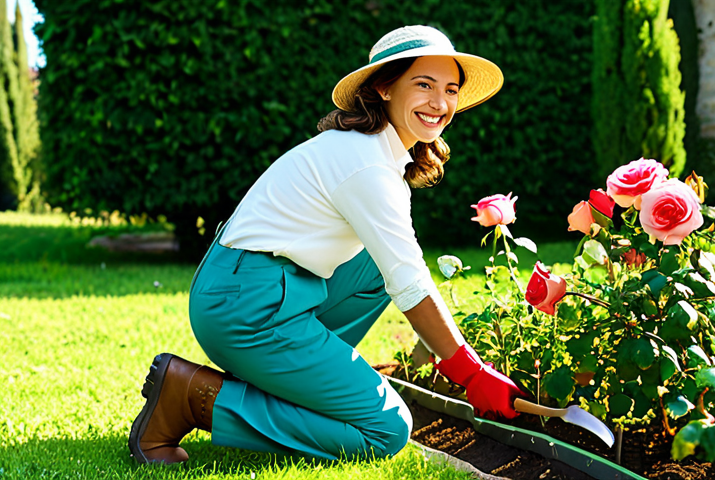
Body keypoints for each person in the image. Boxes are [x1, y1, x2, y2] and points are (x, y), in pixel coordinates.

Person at [128, 25, 525, 465]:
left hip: (256, 285)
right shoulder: (367, 165)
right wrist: (470, 372)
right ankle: (191, 396)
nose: (440, 103)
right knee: (385, 429)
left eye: (450, 90)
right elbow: (411, 283)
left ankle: (286, 388)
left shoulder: (372, 152)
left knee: (374, 269)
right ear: (383, 87)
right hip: (244, 305)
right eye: (424, 85)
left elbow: (395, 273)